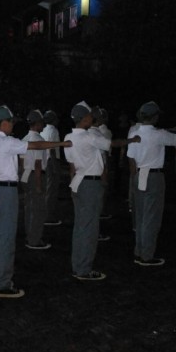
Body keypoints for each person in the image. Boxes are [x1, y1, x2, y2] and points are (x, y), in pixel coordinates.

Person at [0, 105, 71, 298]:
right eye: (11, 122)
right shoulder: (6, 142)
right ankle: (2, 284)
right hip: (5, 191)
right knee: (5, 238)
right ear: (4, 123)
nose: (13, 126)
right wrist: (60, 145)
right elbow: (35, 146)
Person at [65, 101, 139, 280]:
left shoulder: (69, 137)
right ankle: (83, 269)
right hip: (90, 183)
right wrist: (131, 140)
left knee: (81, 227)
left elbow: (72, 166)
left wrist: (71, 185)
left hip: (78, 182)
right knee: (90, 228)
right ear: (84, 119)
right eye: (90, 115)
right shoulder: (89, 137)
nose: (93, 118)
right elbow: (112, 143)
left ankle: (78, 265)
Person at [127, 101, 176, 266]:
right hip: (153, 176)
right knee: (151, 218)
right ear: (155, 117)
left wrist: (134, 178)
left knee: (141, 216)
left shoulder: (134, 133)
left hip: (139, 174)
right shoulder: (158, 134)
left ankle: (139, 251)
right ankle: (146, 256)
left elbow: (131, 158)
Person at [21, 110, 50, 250]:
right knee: (38, 208)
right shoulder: (39, 140)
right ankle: (35, 240)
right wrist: (38, 184)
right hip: (35, 175)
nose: (43, 124)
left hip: (26, 175)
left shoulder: (25, 138)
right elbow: (38, 164)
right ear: (37, 124)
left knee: (29, 207)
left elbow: (20, 161)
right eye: (42, 122)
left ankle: (29, 234)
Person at [88, 106, 110, 241]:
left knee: (85, 213)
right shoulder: (99, 135)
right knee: (94, 210)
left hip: (81, 177)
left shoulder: (79, 134)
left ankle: (86, 236)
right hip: (93, 177)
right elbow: (103, 158)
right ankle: (93, 235)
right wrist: (104, 177)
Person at [40, 110, 62, 226]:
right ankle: (48, 216)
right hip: (51, 161)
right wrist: (55, 167)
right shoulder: (53, 130)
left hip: (44, 160)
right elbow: (52, 149)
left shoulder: (43, 130)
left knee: (47, 189)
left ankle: (45, 214)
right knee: (51, 189)